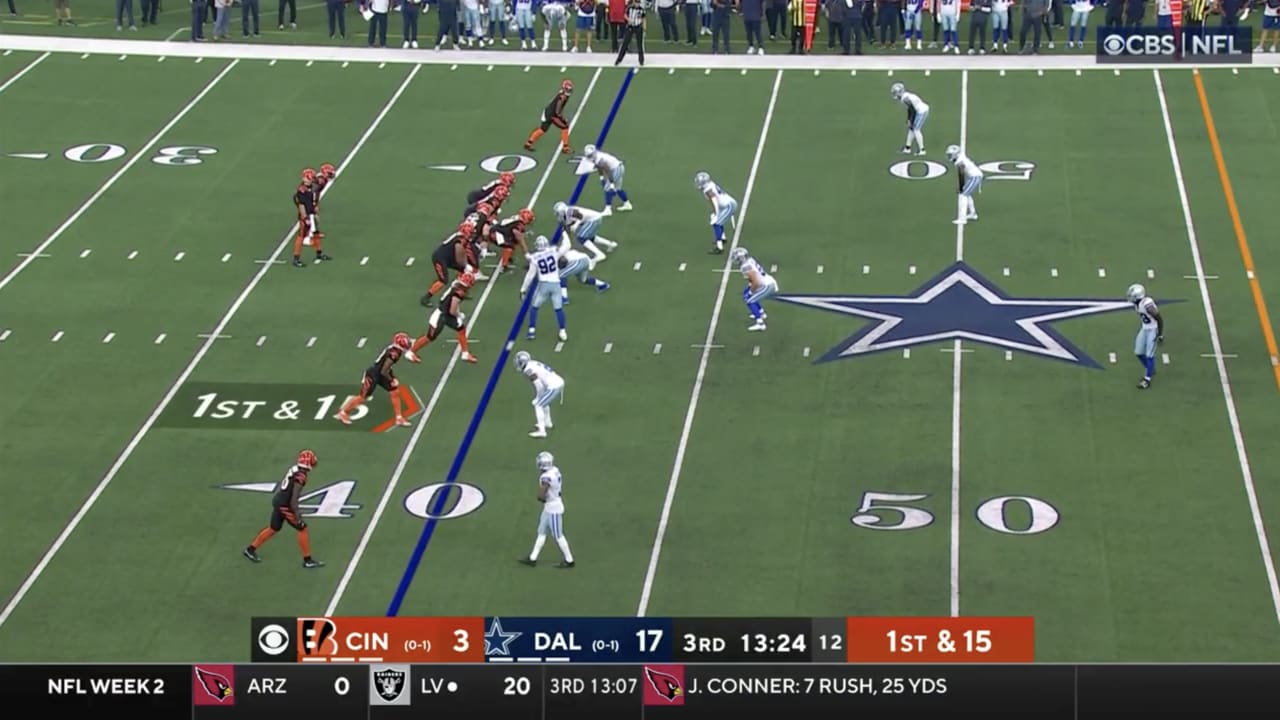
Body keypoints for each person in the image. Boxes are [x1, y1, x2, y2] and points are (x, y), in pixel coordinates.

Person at [615, 0, 647, 65]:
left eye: (638, 2)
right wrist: (629, 19)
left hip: (638, 27)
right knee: (625, 43)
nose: (637, 4)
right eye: (636, 2)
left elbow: (644, 19)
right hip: (630, 27)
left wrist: (644, 29)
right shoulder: (630, 8)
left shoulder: (641, 10)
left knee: (639, 45)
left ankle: (641, 61)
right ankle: (619, 60)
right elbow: (625, 15)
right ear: (634, 2)